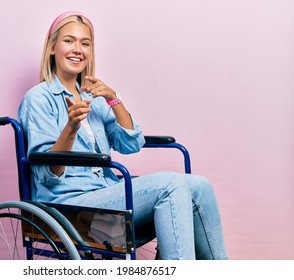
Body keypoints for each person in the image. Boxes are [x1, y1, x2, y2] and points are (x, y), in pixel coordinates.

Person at [18, 11, 228, 260]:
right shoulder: (38, 98)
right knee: (172, 185)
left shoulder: (92, 98)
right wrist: (71, 128)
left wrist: (112, 98)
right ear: (52, 48)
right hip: (70, 209)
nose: (78, 49)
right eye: (69, 41)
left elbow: (131, 143)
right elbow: (46, 174)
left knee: (200, 185)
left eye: (85, 43)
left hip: (105, 192)